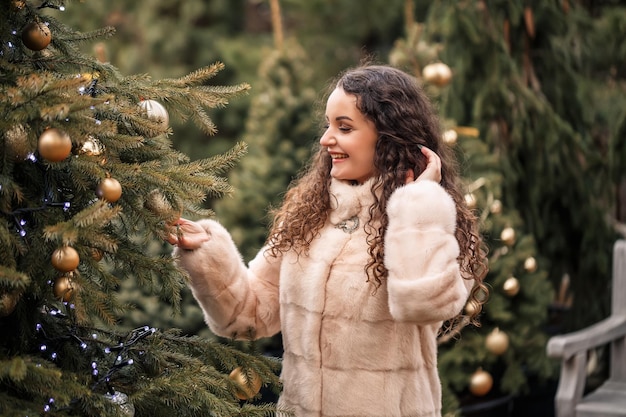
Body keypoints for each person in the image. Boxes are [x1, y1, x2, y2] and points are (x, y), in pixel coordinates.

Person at [167, 63, 488, 417]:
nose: (326, 139)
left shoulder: (428, 219)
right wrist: (206, 254)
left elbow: (425, 305)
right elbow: (247, 315)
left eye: (344, 127)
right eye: (328, 124)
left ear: (388, 136)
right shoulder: (309, 214)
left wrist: (418, 206)